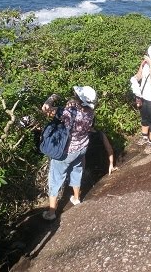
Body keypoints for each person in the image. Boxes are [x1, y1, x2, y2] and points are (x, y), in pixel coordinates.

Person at [41, 85, 96, 220]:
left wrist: (52, 98)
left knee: (55, 179)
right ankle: (76, 198)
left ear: (78, 99)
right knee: (76, 171)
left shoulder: (68, 113)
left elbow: (46, 109)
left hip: (66, 152)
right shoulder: (90, 112)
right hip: (82, 148)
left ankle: (52, 212)